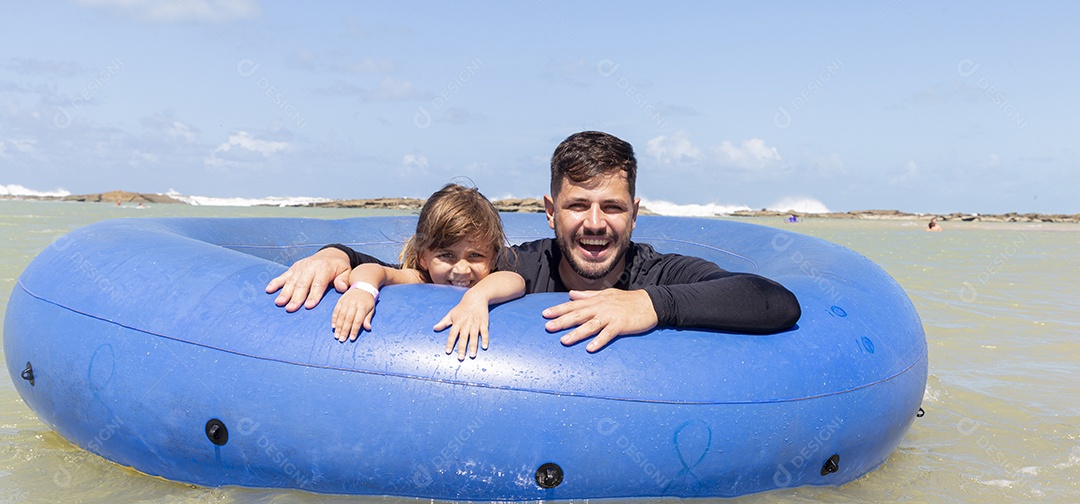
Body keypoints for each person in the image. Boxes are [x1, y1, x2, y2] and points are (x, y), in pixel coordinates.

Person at [267, 131, 801, 352]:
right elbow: (419, 270)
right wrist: (334, 255)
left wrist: (649, 306)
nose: (595, 224)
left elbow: (774, 301)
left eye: (612, 207)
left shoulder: (656, 273)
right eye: (577, 206)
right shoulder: (513, 265)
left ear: (635, 215)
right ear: (550, 213)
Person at [329, 183, 524, 360]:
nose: (462, 269)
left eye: (476, 255)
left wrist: (477, 297)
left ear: (493, 257)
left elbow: (515, 280)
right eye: (446, 255)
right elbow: (374, 269)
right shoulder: (419, 278)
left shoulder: (488, 281)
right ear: (423, 256)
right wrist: (363, 290)